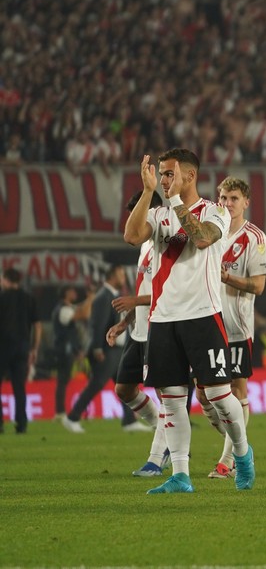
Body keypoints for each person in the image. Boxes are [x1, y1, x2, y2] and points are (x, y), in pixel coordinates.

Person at [124, 149, 255, 493]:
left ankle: (242, 453)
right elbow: (132, 236)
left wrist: (177, 201)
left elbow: (201, 238)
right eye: (161, 175)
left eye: (168, 174)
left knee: (218, 395)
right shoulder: (158, 213)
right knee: (171, 398)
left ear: (190, 176)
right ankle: (180, 474)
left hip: (202, 316)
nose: (164, 180)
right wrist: (149, 191)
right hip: (163, 318)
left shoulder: (217, 211)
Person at [197, 177, 266, 480]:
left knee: (237, 390)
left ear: (246, 202)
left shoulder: (254, 237)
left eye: (234, 198)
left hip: (236, 328)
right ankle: (239, 444)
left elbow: (258, 285)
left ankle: (227, 461)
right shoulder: (207, 229)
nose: (227, 203)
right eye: (223, 198)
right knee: (203, 394)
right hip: (203, 323)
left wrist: (229, 279)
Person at [108, 190, 171, 475]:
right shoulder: (145, 245)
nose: (133, 218)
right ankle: (164, 429)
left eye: (138, 212)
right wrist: (126, 321)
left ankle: (157, 458)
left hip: (159, 327)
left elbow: (167, 290)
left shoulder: (164, 244)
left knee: (166, 394)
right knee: (123, 388)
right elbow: (145, 290)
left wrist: (134, 302)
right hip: (139, 329)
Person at [62, 265, 142, 433]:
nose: (123, 277)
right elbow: (97, 325)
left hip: (117, 349)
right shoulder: (102, 296)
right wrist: (98, 348)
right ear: (111, 276)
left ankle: (129, 421)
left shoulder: (113, 295)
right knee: (97, 383)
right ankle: (72, 417)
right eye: (120, 273)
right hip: (107, 349)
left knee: (124, 384)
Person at [0, 268, 41, 434]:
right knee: (19, 387)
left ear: (6, 280)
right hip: (23, 348)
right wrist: (34, 349)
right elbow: (37, 326)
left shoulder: (1, 298)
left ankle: (0, 424)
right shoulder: (29, 298)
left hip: (2, 348)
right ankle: (22, 424)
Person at [50, 285, 92, 420]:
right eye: (72, 291)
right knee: (62, 380)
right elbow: (83, 314)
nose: (75, 292)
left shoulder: (67, 308)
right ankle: (60, 412)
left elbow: (82, 309)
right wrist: (91, 298)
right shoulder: (63, 310)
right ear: (66, 293)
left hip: (70, 350)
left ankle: (61, 411)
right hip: (63, 351)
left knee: (64, 380)